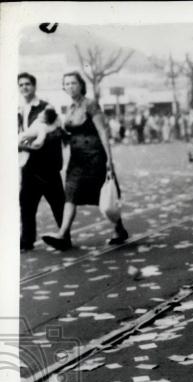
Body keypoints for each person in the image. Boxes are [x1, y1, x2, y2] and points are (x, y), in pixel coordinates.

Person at [42, 71, 128, 251]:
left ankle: (119, 229)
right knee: (70, 194)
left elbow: (103, 130)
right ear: (63, 87)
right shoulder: (71, 107)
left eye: (74, 83)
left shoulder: (90, 104)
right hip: (76, 158)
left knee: (102, 195)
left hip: (94, 156)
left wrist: (109, 159)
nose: (70, 86)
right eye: (67, 84)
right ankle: (62, 234)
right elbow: (69, 133)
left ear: (81, 85)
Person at [17, 72, 65, 252]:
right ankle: (26, 241)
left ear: (34, 86)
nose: (24, 88)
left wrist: (27, 144)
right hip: (28, 164)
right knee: (26, 204)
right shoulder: (18, 109)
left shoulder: (46, 108)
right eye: (21, 85)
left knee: (57, 203)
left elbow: (53, 134)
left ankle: (64, 237)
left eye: (27, 84)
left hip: (47, 165)